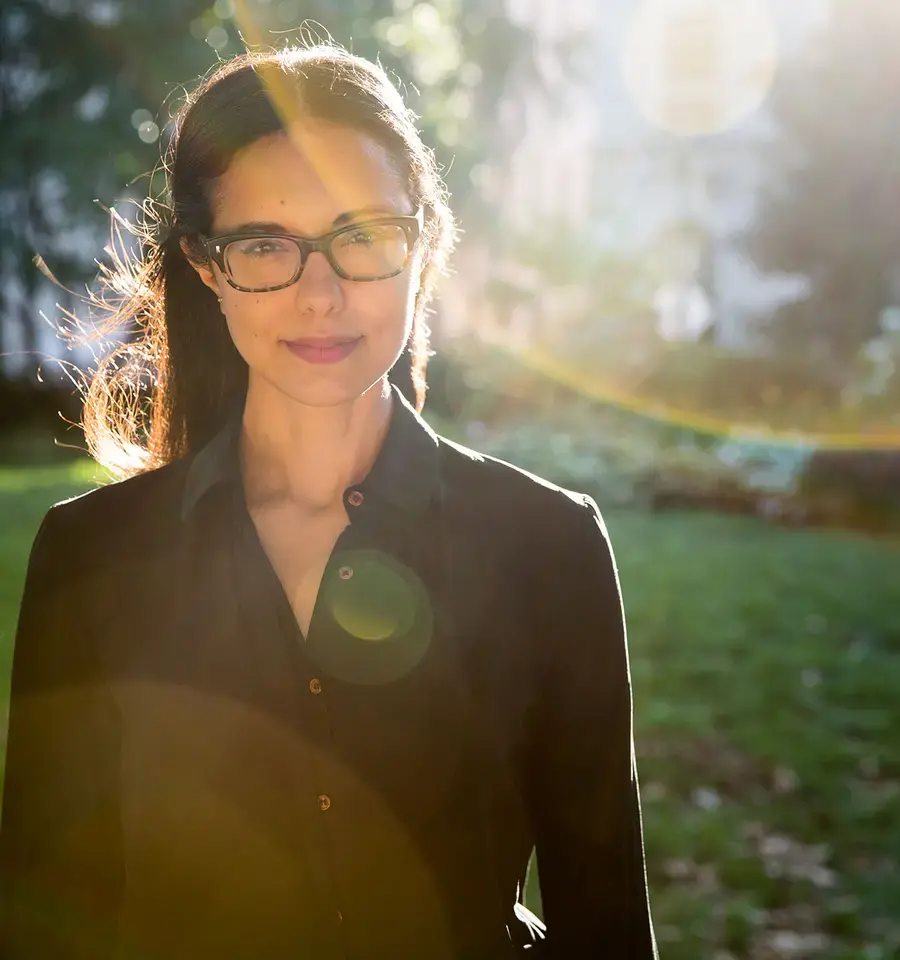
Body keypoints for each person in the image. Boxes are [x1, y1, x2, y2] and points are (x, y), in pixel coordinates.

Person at [0, 44, 658, 960]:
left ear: (420, 245)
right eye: (266, 244)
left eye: (362, 236)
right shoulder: (89, 557)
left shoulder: (549, 548)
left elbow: (608, 927)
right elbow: (45, 918)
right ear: (205, 263)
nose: (321, 294)